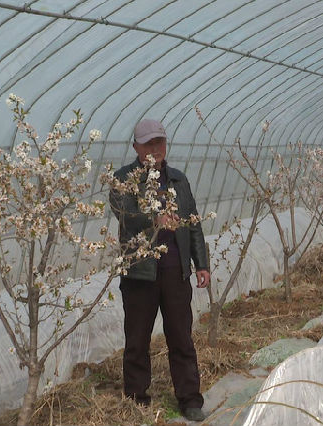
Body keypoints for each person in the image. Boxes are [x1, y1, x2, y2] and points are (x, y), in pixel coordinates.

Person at [110, 118, 210, 422]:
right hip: (140, 274)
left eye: (160, 142)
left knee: (181, 338)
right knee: (137, 340)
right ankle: (137, 400)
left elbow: (193, 223)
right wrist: (154, 219)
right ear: (136, 147)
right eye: (149, 144)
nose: (155, 149)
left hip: (175, 272)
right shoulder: (124, 179)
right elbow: (125, 214)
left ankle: (190, 399)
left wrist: (201, 264)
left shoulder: (178, 180)